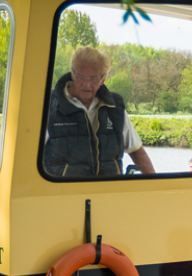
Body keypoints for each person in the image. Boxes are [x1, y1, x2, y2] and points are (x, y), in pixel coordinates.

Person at [44, 46, 156, 178]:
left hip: (108, 193)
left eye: (93, 79)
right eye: (80, 77)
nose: (86, 84)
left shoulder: (115, 108)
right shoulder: (48, 105)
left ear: (103, 78)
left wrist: (156, 187)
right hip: (63, 194)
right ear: (72, 73)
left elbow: (137, 151)